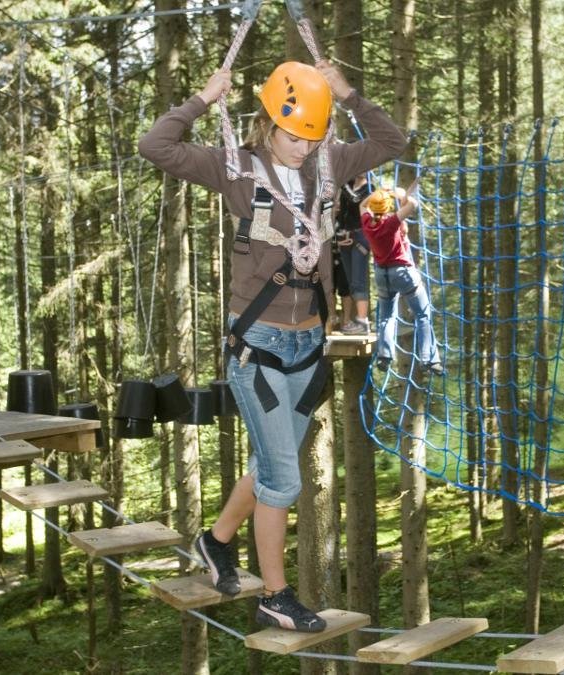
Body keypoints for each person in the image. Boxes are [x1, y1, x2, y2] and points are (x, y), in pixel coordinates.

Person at [138, 59, 406, 632]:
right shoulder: (235, 169)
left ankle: (214, 541)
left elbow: (392, 140)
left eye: (311, 137)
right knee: (284, 479)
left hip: (309, 347)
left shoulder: (330, 163)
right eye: (292, 135)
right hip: (256, 346)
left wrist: (347, 93)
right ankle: (275, 595)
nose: (302, 148)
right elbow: (155, 146)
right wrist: (203, 100)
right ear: (267, 123)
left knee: (269, 462)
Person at [362, 183, 443, 375]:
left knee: (386, 317)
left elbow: (363, 206)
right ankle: (429, 359)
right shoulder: (391, 223)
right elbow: (413, 204)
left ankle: (384, 354)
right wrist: (398, 194)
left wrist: (380, 192)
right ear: (388, 207)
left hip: (382, 274)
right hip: (403, 272)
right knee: (423, 314)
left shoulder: (367, 222)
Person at [335, 174, 373, 333]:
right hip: (345, 236)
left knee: (358, 280)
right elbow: (342, 210)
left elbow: (357, 202)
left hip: (360, 236)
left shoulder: (370, 189)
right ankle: (356, 322)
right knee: (351, 281)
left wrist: (343, 185)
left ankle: (363, 322)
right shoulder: (348, 183)